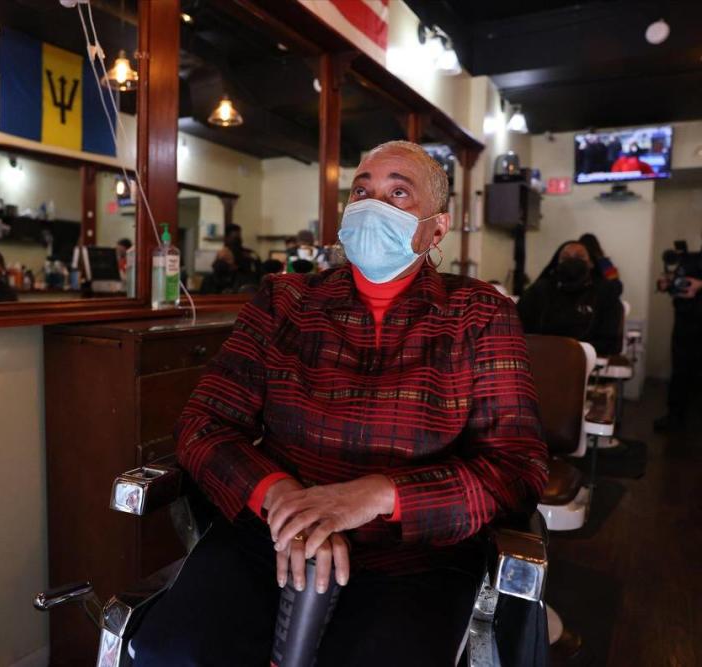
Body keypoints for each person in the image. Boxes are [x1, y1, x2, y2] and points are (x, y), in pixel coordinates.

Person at [131, 141, 548, 665]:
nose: (373, 204)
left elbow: (517, 468)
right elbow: (203, 424)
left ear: (436, 230)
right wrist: (281, 499)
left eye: (398, 193)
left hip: (413, 556)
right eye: (362, 190)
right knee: (174, 651)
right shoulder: (285, 301)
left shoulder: (479, 314)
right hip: (274, 537)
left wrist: (377, 496)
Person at [517, 241, 624, 356]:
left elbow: (611, 343)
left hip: (590, 361)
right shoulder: (539, 291)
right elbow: (518, 331)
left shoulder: (605, 293)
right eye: (565, 257)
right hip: (541, 359)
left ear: (591, 263)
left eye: (579, 257)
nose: (572, 260)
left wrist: (576, 352)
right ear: (557, 263)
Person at [653, 247, 702, 432]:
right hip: (685, 321)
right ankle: (675, 416)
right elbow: (677, 284)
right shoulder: (689, 259)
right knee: (680, 370)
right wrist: (666, 284)